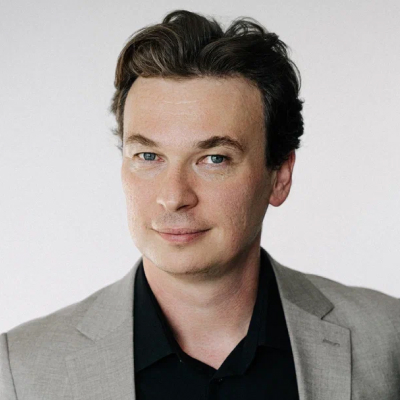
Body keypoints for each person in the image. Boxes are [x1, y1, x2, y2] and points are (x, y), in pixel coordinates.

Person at [1, 9, 399, 400]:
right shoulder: (21, 371)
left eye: (214, 159)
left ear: (279, 176)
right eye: (148, 156)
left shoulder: (387, 338)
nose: (174, 196)